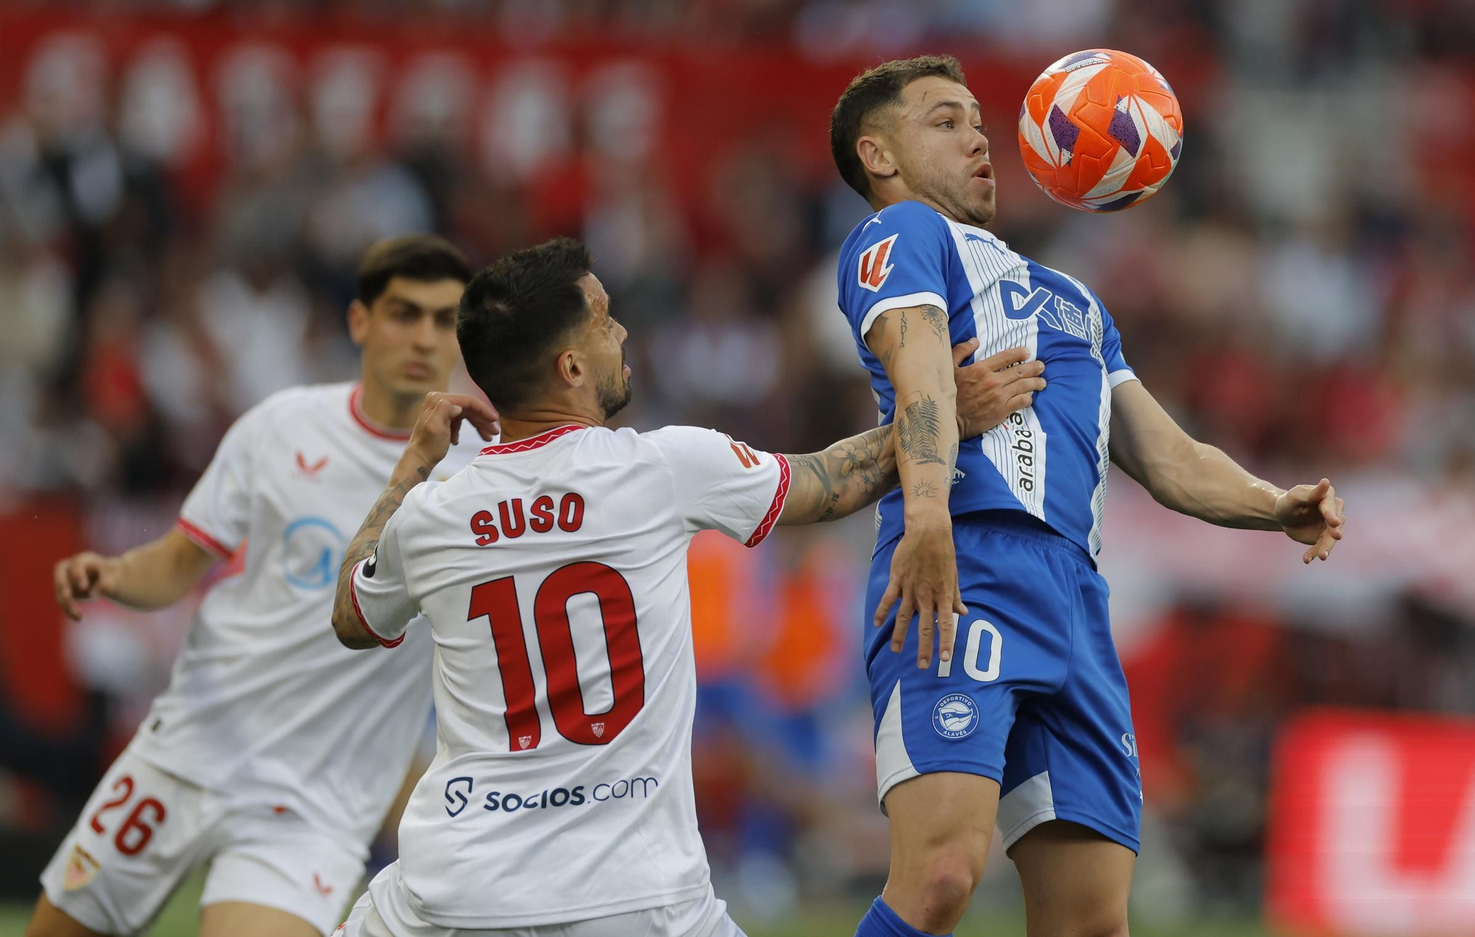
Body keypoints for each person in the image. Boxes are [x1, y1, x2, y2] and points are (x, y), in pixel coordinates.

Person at [326, 237, 1045, 937]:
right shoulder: (663, 468)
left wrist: (410, 468)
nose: (623, 331)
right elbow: (833, 482)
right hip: (637, 894)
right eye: (605, 318)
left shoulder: (433, 512)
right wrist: (941, 408)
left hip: (457, 890)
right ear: (572, 365)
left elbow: (354, 615)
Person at [828, 55, 1348, 937]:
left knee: (1093, 921)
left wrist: (1271, 503)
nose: (979, 138)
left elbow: (1169, 456)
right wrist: (925, 516)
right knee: (945, 876)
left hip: (1074, 596)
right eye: (945, 122)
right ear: (879, 155)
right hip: (967, 564)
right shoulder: (904, 236)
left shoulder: (1073, 300)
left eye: (979, 122)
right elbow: (918, 371)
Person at [31, 236, 482, 937]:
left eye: (444, 318)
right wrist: (115, 574)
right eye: (404, 313)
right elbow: (181, 561)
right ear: (360, 321)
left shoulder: (482, 476)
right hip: (188, 749)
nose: (424, 336)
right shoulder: (281, 425)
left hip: (313, 804)